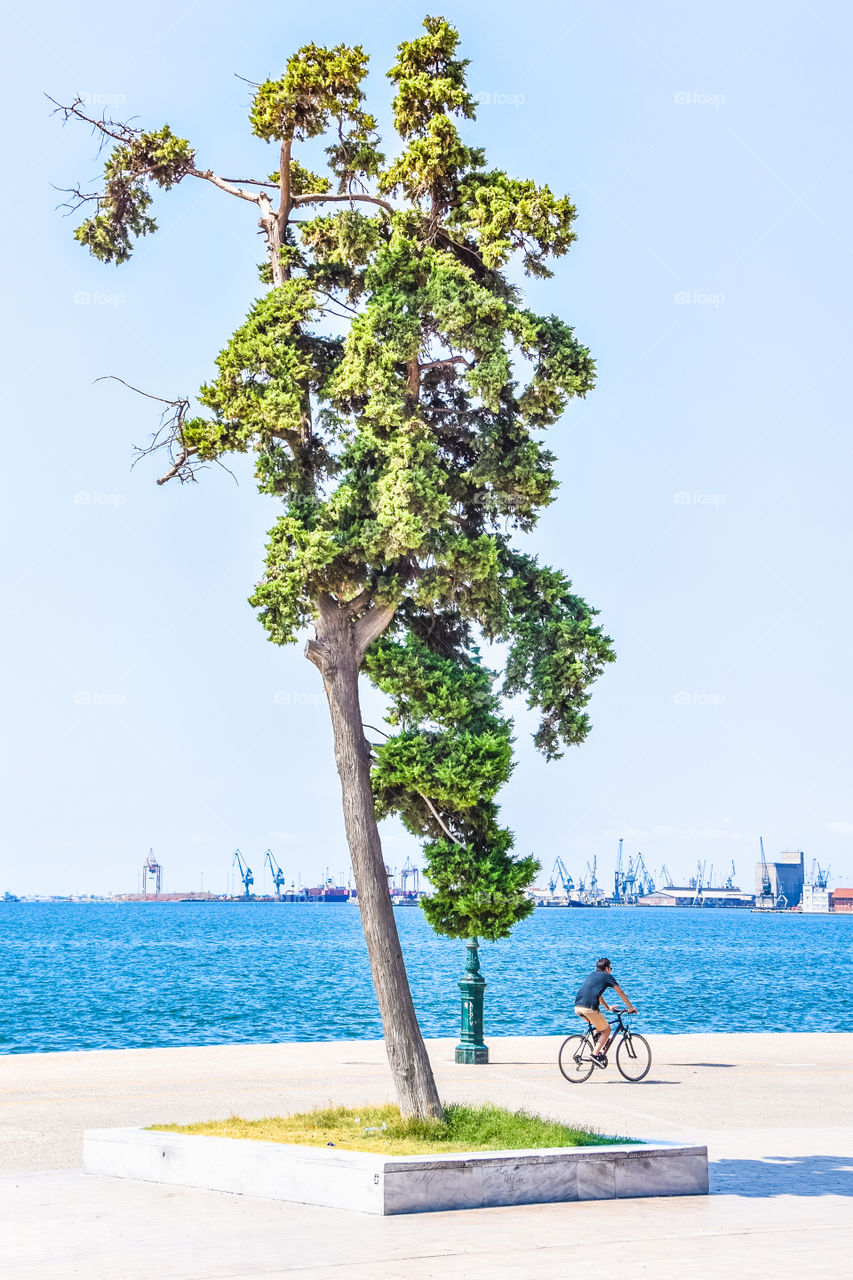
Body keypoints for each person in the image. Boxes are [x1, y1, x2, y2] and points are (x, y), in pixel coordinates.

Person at [574, 957, 637, 1060]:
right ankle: (594, 1054)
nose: (611, 970)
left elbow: (598, 995)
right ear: (607, 968)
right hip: (589, 1008)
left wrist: (607, 1007)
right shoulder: (607, 976)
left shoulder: (591, 975)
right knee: (607, 1030)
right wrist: (630, 1008)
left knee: (600, 1024)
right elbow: (620, 992)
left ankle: (596, 1036)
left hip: (577, 1007)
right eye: (611, 968)